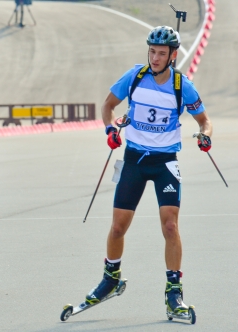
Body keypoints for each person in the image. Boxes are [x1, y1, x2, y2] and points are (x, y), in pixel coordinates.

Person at [83, 26, 212, 315]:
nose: (154, 58)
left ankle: (174, 292)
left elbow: (204, 121)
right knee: (118, 227)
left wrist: (205, 135)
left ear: (173, 56)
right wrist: (111, 128)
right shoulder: (135, 76)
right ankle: (110, 279)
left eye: (161, 53)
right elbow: (108, 106)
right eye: (152, 52)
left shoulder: (182, 85)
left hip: (165, 161)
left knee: (170, 226)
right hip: (134, 160)